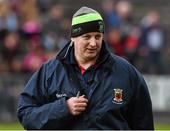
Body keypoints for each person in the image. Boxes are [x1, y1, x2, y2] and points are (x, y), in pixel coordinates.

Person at [17, 6, 154, 130]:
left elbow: (143, 124)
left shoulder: (126, 72)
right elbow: (26, 115)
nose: (93, 43)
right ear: (73, 37)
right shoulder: (50, 72)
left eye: (98, 36)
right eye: (87, 37)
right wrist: (63, 108)